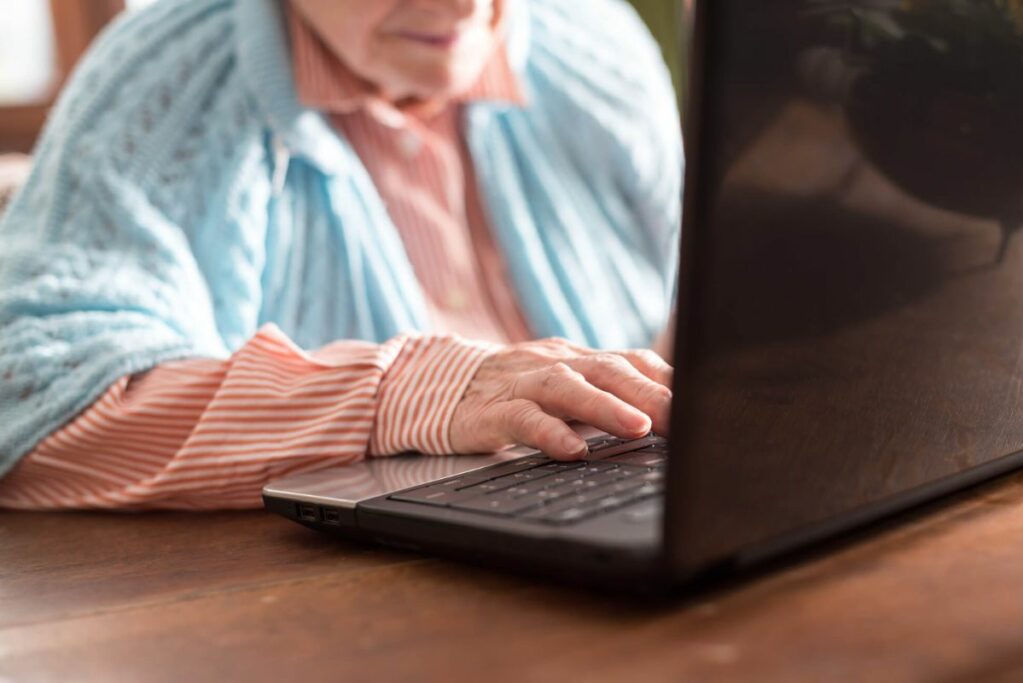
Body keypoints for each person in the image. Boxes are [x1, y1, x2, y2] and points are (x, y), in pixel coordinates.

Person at [0, 0, 682, 510]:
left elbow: (673, 300)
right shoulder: (161, 82)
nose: (469, 7)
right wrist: (418, 393)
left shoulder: (597, 40)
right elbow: (30, 403)